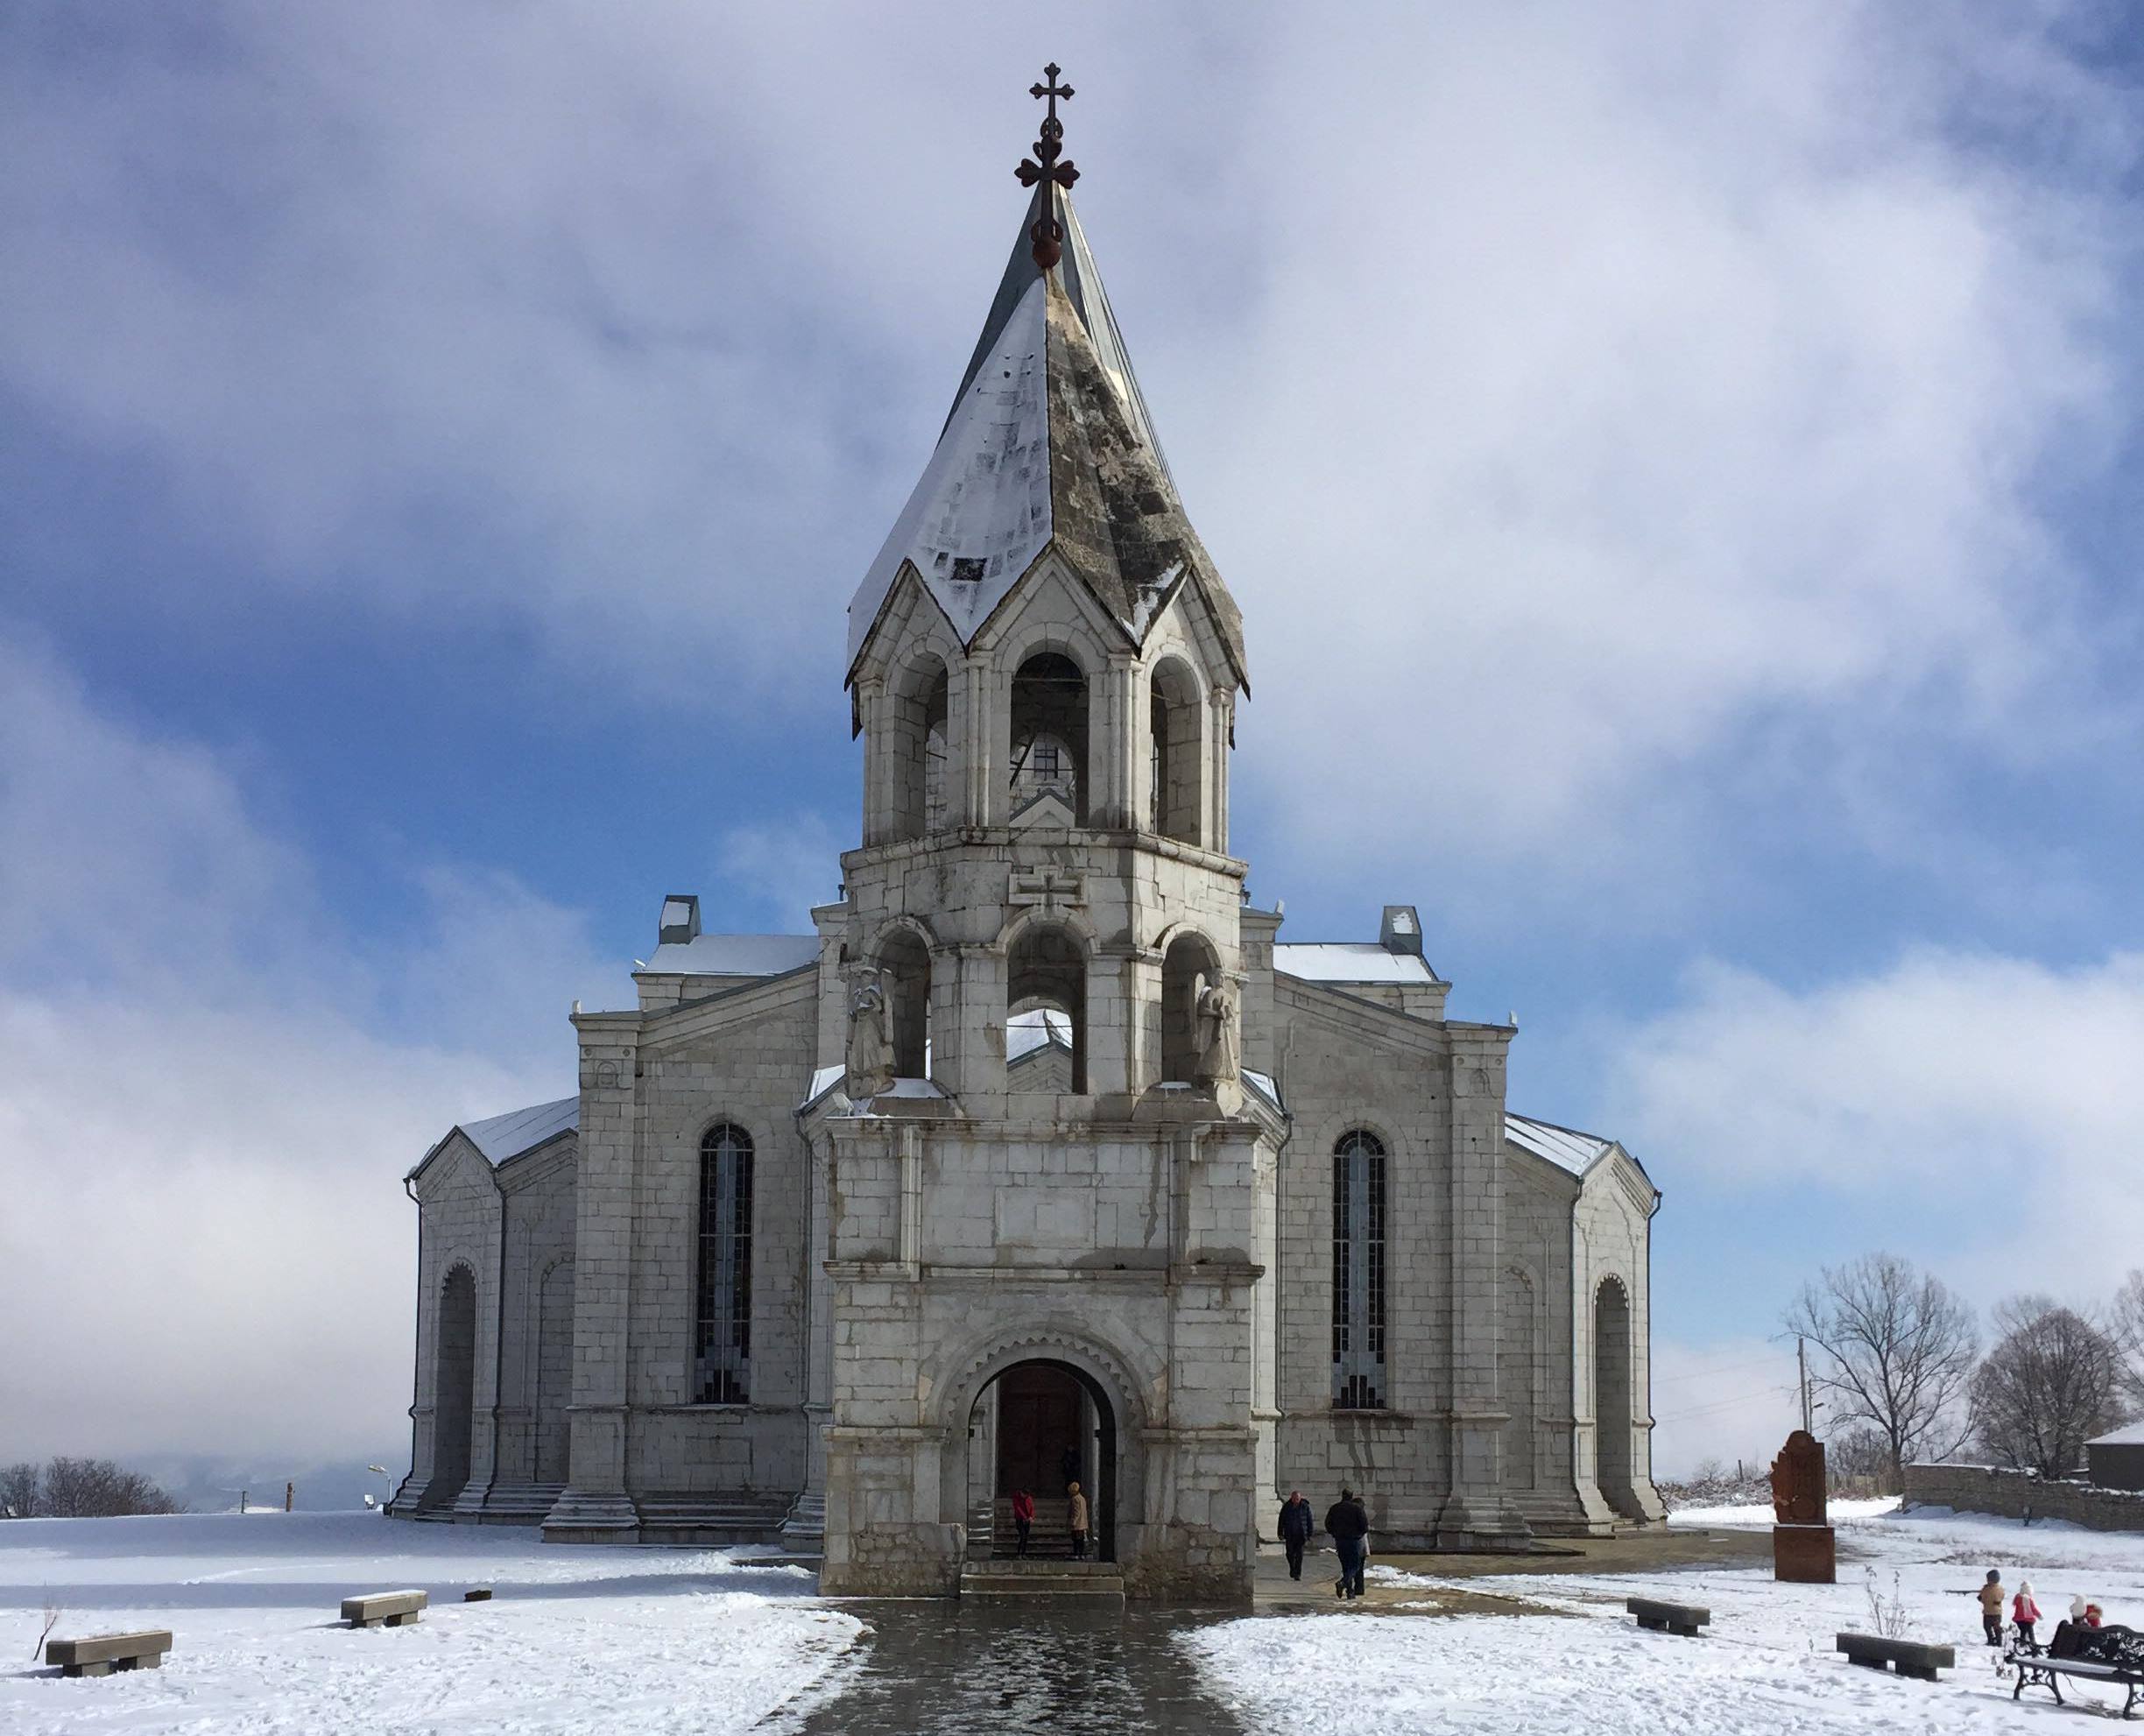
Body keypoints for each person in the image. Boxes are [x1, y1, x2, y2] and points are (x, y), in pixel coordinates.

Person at [1324, 1486, 1370, 1600]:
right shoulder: (1357, 1509)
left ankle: (1350, 1592)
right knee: (1355, 1566)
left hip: (1340, 1540)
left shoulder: (1335, 1508)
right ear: (1351, 1496)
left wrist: (1334, 1533)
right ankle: (1343, 1583)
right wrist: (1359, 1533)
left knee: (1345, 1567)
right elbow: (1364, 1526)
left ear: (1342, 1495)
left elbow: (1328, 1524)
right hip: (1354, 1541)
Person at [1278, 1491, 1315, 1582]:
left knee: (1299, 1555)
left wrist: (1310, 1534)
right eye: (1294, 1499)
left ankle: (1297, 1574)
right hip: (1290, 1534)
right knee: (1289, 1554)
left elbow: (1309, 1520)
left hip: (1301, 1535)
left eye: (1297, 1499)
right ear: (1291, 1498)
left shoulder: (1305, 1507)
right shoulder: (1287, 1507)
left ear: (1300, 1498)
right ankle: (1292, 1568)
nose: (1296, 1501)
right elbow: (1281, 1520)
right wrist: (1280, 1533)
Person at [1979, 1570, 2006, 1648]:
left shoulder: (1987, 1589)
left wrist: (1982, 1592)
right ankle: (1999, 1641)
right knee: (1997, 1628)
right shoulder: (2001, 1588)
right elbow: (2002, 1597)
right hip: (1998, 1612)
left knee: (1987, 1627)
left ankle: (1990, 1640)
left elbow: (1983, 1599)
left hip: (1988, 1612)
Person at [2013, 1580, 2041, 1650]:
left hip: (2019, 1620)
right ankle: (2033, 1643)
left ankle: (2022, 1643)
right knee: (2030, 1631)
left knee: (2023, 1631)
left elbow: (2015, 1604)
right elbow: (2033, 1609)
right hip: (2028, 1619)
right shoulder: (2029, 1599)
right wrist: (2039, 1615)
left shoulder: (2017, 1598)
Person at [1068, 1481, 1090, 1560]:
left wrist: (1073, 1521)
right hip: (1083, 1522)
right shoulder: (1082, 1498)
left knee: (1076, 1540)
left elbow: (1076, 1511)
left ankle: (1076, 1554)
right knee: (1081, 1540)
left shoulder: (1075, 1499)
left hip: (1078, 1523)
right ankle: (1081, 1554)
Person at [1011, 1488, 1034, 1557]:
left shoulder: (1028, 1498)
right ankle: (1019, 1553)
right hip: (1020, 1519)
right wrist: (1025, 1517)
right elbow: (1018, 1508)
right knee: (1022, 1536)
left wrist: (1031, 1516)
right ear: (1021, 1493)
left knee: (1026, 1537)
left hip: (1027, 1519)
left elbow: (1032, 1507)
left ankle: (1023, 1553)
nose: (1025, 1497)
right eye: (1024, 1495)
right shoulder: (1016, 1498)